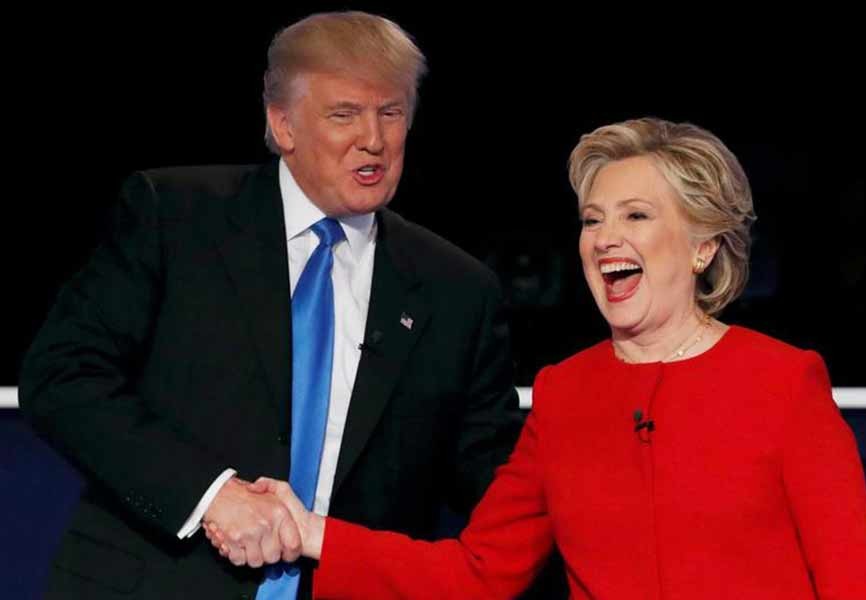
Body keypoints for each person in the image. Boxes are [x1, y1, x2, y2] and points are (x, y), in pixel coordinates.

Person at [218, 117, 866, 599]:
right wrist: (313, 533)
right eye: (593, 219)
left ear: (702, 248)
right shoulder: (566, 394)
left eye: (635, 216)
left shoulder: (783, 383)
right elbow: (477, 573)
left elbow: (856, 585)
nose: (605, 239)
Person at [19, 11, 523, 600]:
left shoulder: (456, 289)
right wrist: (211, 494)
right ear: (282, 124)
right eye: (345, 114)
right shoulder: (175, 218)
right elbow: (62, 377)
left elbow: (497, 484)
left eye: (391, 112)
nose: (374, 139)